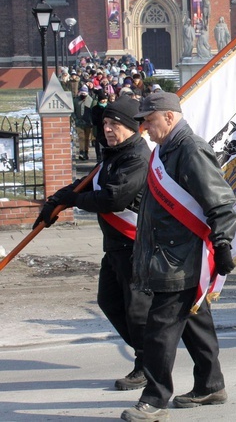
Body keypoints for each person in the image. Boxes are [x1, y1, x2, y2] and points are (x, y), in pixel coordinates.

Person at [122, 92, 236, 421]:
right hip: (171, 253)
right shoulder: (165, 149)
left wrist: (223, 243)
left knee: (158, 329)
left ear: (169, 118)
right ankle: (211, 384)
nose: (144, 127)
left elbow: (220, 201)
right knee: (195, 323)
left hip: (181, 258)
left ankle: (155, 400)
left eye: (149, 120)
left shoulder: (190, 149)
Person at [34, 97, 152, 391]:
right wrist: (56, 200)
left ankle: (149, 364)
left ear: (131, 126)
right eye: (106, 124)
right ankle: (151, 353)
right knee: (110, 301)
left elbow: (114, 199)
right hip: (114, 247)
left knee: (137, 312)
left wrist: (72, 200)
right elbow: (88, 183)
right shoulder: (114, 154)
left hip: (134, 246)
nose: (108, 129)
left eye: (115, 124)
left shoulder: (137, 156)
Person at [73, 85, 94, 160]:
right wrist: (75, 118)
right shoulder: (76, 100)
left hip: (88, 122)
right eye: (82, 94)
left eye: (85, 94)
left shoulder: (90, 100)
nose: (83, 95)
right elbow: (73, 111)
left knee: (87, 138)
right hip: (79, 122)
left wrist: (91, 120)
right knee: (81, 137)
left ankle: (86, 152)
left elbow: (92, 111)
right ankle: (81, 152)